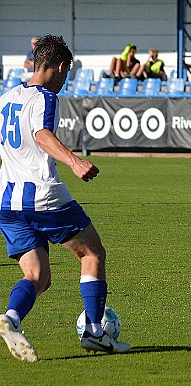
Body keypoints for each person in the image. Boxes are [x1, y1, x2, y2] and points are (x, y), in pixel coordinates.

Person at [0, 34, 131, 362]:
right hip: (43, 197)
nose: (65, 78)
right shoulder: (45, 98)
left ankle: (10, 318)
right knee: (92, 253)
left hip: (7, 203)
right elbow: (41, 134)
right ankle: (95, 333)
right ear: (59, 67)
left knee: (38, 277)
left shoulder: (6, 97)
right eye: (67, 72)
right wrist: (74, 161)